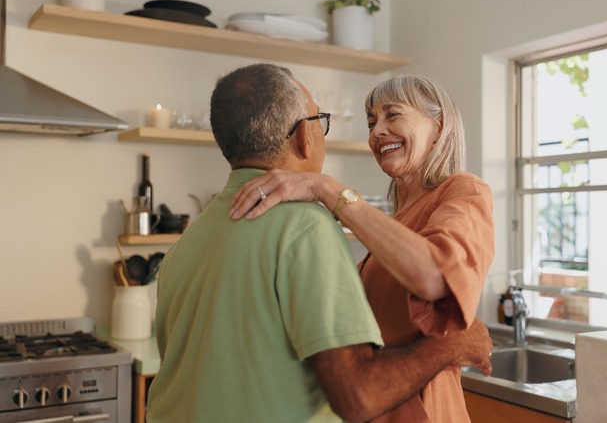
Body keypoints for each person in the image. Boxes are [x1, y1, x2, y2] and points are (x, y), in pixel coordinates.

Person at [144, 63, 492, 423]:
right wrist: (454, 344)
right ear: (303, 137)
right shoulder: (311, 227)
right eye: (371, 121)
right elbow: (354, 388)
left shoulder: (190, 240)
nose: (377, 131)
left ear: (439, 127)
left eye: (393, 114)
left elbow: (435, 275)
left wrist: (326, 188)